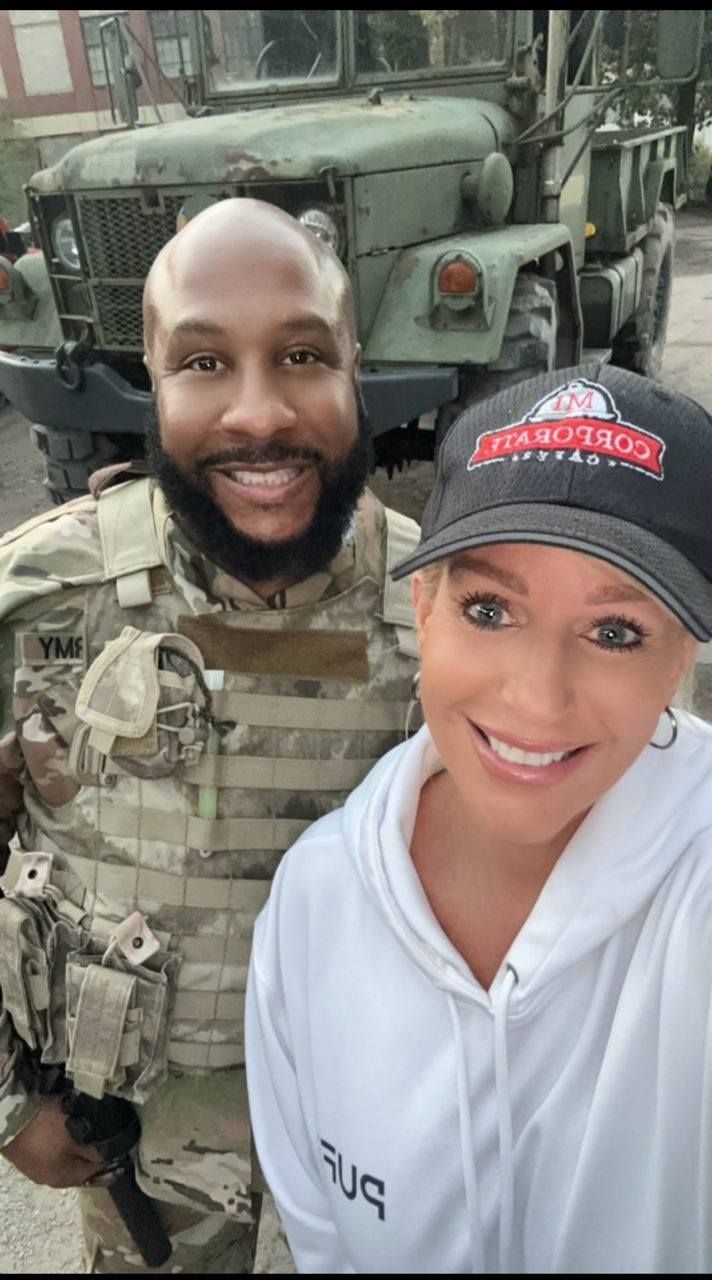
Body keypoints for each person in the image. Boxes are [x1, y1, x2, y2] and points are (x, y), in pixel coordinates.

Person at [0, 197, 420, 1273]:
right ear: (151, 374)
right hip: (132, 1169)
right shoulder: (45, 595)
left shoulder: (453, 610)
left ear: (352, 369)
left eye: (299, 354)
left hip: (378, 1170)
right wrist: (11, 1103)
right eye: (201, 361)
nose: (258, 412)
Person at [246, 362, 712, 1274]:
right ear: (424, 609)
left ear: (678, 663)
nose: (537, 701)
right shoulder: (316, 901)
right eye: (490, 608)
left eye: (615, 631)